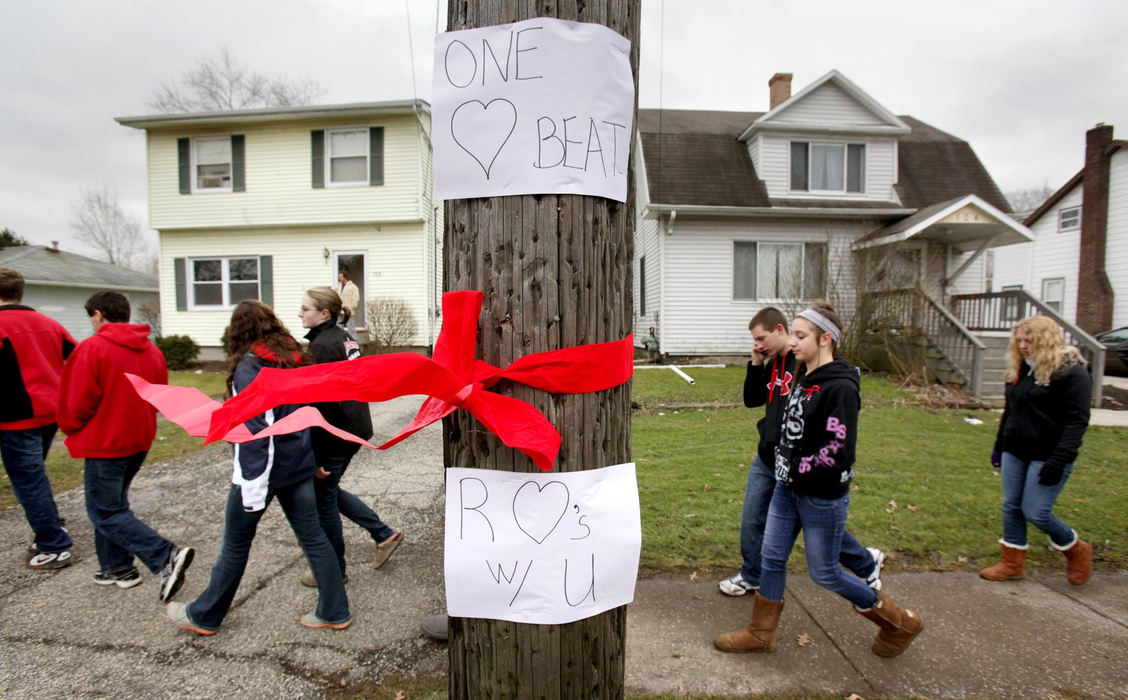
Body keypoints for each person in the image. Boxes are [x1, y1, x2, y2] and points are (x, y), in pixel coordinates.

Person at [715, 302, 923, 658]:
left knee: (825, 573)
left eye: (800, 335)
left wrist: (794, 467)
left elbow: (837, 450)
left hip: (820, 496)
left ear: (825, 339)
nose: (792, 342)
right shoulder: (804, 375)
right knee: (772, 557)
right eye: (792, 334)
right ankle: (761, 633)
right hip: (786, 489)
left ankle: (898, 622)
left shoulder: (840, 387)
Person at [167, 300, 350, 635]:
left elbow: (256, 431)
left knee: (235, 544)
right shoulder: (293, 360)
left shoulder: (251, 367)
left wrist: (252, 483)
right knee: (314, 538)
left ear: (239, 331)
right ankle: (335, 611)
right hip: (297, 466)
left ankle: (204, 615)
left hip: (263, 472)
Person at [720, 307, 883, 597]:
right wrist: (756, 363)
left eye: (762, 338)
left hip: (803, 474)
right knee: (760, 528)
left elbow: (837, 445)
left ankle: (870, 575)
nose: (758, 344)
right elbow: (754, 400)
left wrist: (797, 467)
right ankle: (755, 586)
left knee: (821, 549)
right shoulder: (789, 366)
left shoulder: (816, 375)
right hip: (771, 461)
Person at [57, 291, 193, 597]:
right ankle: (116, 567)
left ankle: (164, 555)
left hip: (106, 442)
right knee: (114, 505)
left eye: (90, 317)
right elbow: (159, 395)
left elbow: (76, 402)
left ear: (98, 315)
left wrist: (70, 426)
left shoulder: (92, 349)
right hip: (137, 438)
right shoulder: (152, 351)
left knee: (104, 511)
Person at [297, 287, 403, 587]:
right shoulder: (342, 336)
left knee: (323, 498)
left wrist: (315, 455)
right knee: (328, 491)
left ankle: (333, 571)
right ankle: (383, 534)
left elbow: (322, 404)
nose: (300, 313)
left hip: (337, 432)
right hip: (353, 427)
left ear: (324, 313)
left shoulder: (322, 348)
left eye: (305, 308)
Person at [979, 315, 1093, 586]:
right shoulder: (1021, 370)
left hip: (1049, 455)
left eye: (1029, 340)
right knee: (1011, 505)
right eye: (1019, 340)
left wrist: (1059, 460)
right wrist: (999, 447)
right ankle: (1012, 562)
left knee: (1037, 511)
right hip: (1015, 450)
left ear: (1046, 339)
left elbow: (1077, 421)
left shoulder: (1071, 372)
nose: (1022, 345)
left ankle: (1076, 549)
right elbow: (1011, 413)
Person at [0, 267, 75, 570]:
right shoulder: (49, 324)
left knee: (28, 480)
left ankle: (54, 544)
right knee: (34, 475)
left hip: (15, 417)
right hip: (50, 412)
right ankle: (52, 522)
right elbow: (76, 356)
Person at [337, 270, 360, 335]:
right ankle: (340, 342)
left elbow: (355, 299)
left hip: (348, 311)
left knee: (351, 328)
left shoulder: (353, 287)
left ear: (345, 277)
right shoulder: (338, 286)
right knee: (339, 327)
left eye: (341, 277)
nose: (340, 278)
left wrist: (349, 308)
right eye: (339, 277)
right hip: (340, 310)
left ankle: (353, 342)